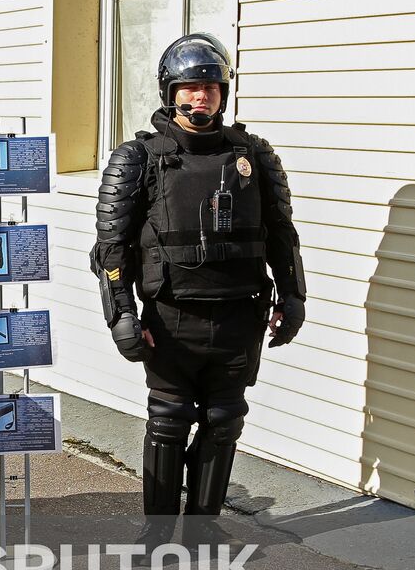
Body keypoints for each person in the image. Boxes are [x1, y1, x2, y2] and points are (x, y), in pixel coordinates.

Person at [90, 33, 307, 538]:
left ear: (223, 93)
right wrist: (121, 315)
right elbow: (111, 250)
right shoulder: (137, 159)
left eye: (210, 86)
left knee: (225, 419)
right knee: (168, 420)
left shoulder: (255, 155)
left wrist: (293, 297)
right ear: (170, 91)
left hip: (240, 316)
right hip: (171, 319)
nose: (200, 96)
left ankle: (204, 527)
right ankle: (159, 531)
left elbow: (281, 233)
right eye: (189, 87)